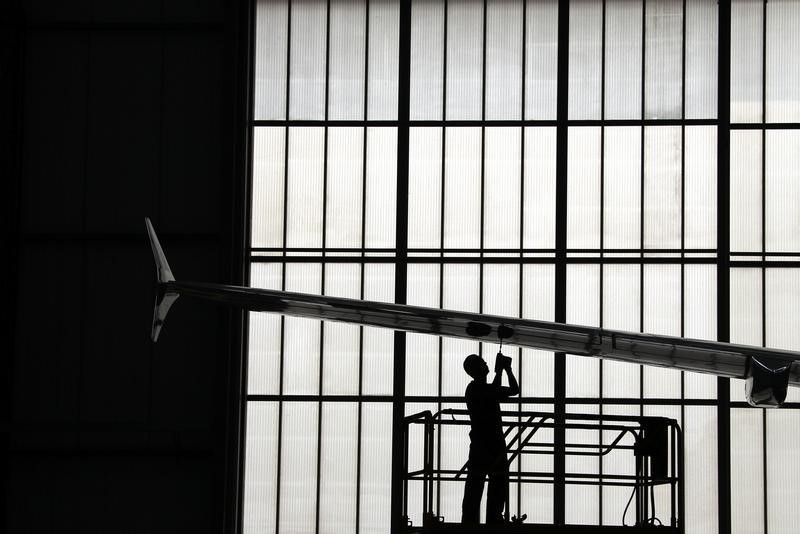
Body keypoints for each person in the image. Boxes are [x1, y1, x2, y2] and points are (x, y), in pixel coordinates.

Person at [461, 352, 520, 525]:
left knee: (478, 484)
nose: (486, 364)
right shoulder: (477, 389)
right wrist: (504, 370)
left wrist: (503, 371)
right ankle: (492, 519)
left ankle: (473, 521)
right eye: (482, 362)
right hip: (491, 444)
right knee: (495, 482)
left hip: (482, 444)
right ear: (476, 369)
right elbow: (512, 390)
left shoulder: (475, 389)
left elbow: (502, 391)